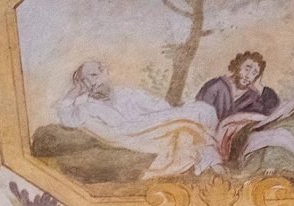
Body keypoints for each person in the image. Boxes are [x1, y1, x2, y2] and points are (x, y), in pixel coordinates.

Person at [56, 60, 219, 177]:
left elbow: (156, 105)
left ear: (105, 74)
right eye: (89, 77)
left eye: (97, 73)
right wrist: (74, 92)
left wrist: (173, 114)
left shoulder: (124, 93)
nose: (95, 80)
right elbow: (68, 120)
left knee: (203, 110)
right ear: (83, 83)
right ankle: (213, 162)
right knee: (200, 112)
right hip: (132, 132)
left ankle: (213, 160)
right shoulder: (87, 106)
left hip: (149, 123)